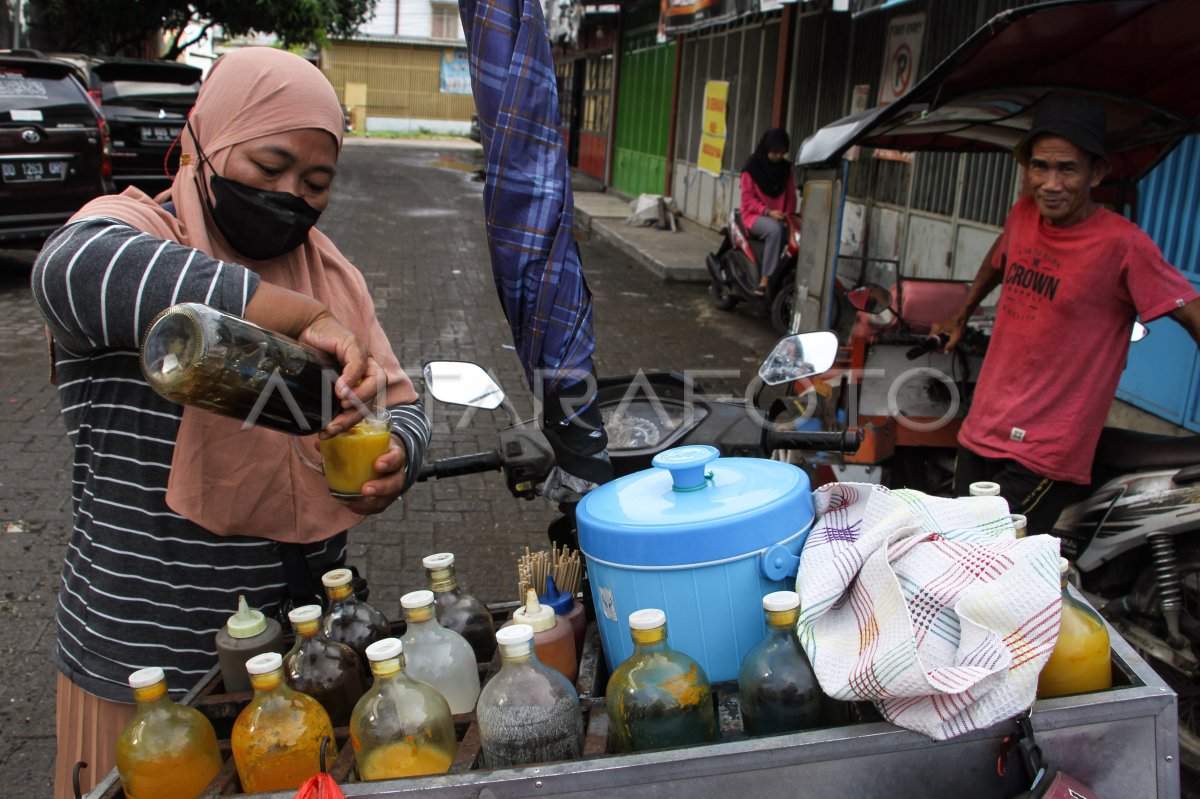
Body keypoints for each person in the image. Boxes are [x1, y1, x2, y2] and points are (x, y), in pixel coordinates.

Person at [30, 48, 431, 799]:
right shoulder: (132, 231)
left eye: (316, 183)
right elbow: (69, 273)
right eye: (270, 165)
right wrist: (289, 317)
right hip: (146, 668)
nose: (290, 197)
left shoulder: (330, 273)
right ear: (203, 139)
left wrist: (399, 456)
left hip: (298, 659)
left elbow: (399, 404)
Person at [934, 93, 1200, 533]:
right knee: (960, 549)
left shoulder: (1123, 244)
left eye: (1067, 169)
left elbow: (1190, 311)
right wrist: (960, 315)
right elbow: (999, 260)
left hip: (1046, 448)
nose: (1050, 183)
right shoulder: (1023, 215)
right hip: (982, 427)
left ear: (1096, 172)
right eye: (1040, 166)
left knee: (992, 559)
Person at [739, 128, 797, 296]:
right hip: (754, 216)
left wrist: (788, 216)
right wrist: (768, 212)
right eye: (774, 152)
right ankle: (765, 279)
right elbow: (747, 201)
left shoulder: (786, 169)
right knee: (774, 230)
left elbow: (791, 196)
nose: (778, 156)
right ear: (766, 149)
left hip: (780, 216)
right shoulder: (751, 169)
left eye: (782, 153)